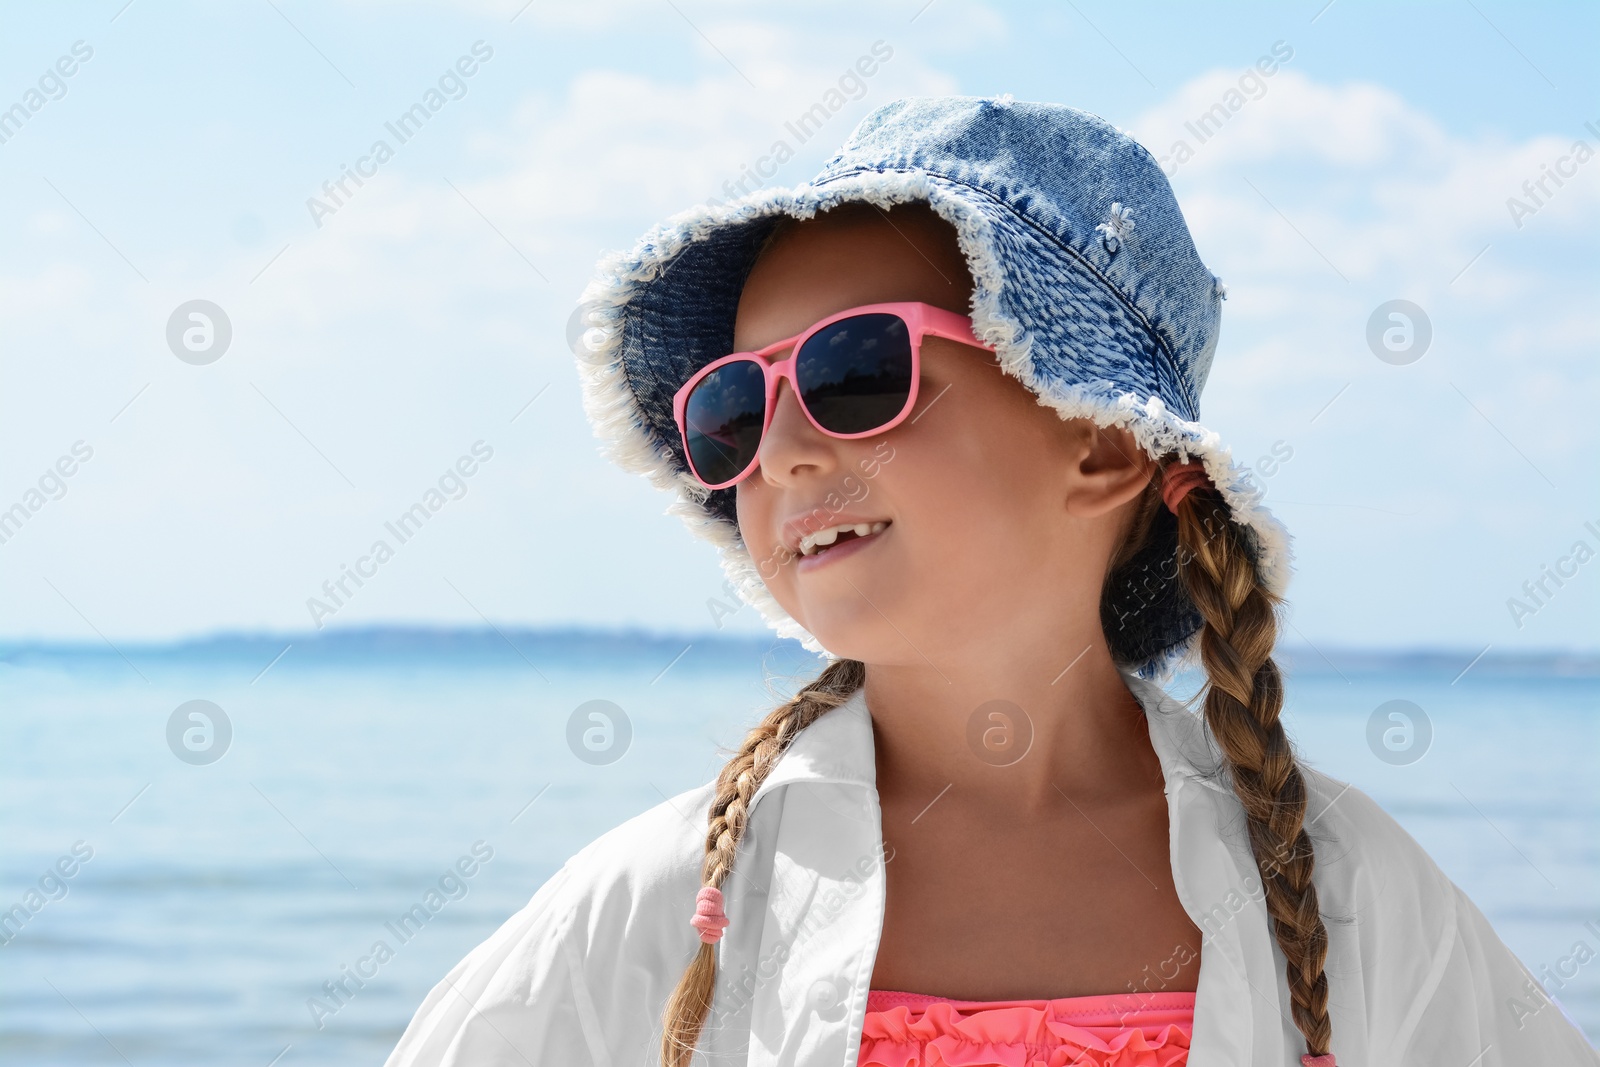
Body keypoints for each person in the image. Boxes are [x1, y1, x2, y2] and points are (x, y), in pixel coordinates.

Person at [383, 95, 1598, 1067]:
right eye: (736, 407)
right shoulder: (658, 901)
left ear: (1104, 441)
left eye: (859, 372)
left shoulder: (1343, 890)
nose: (785, 451)